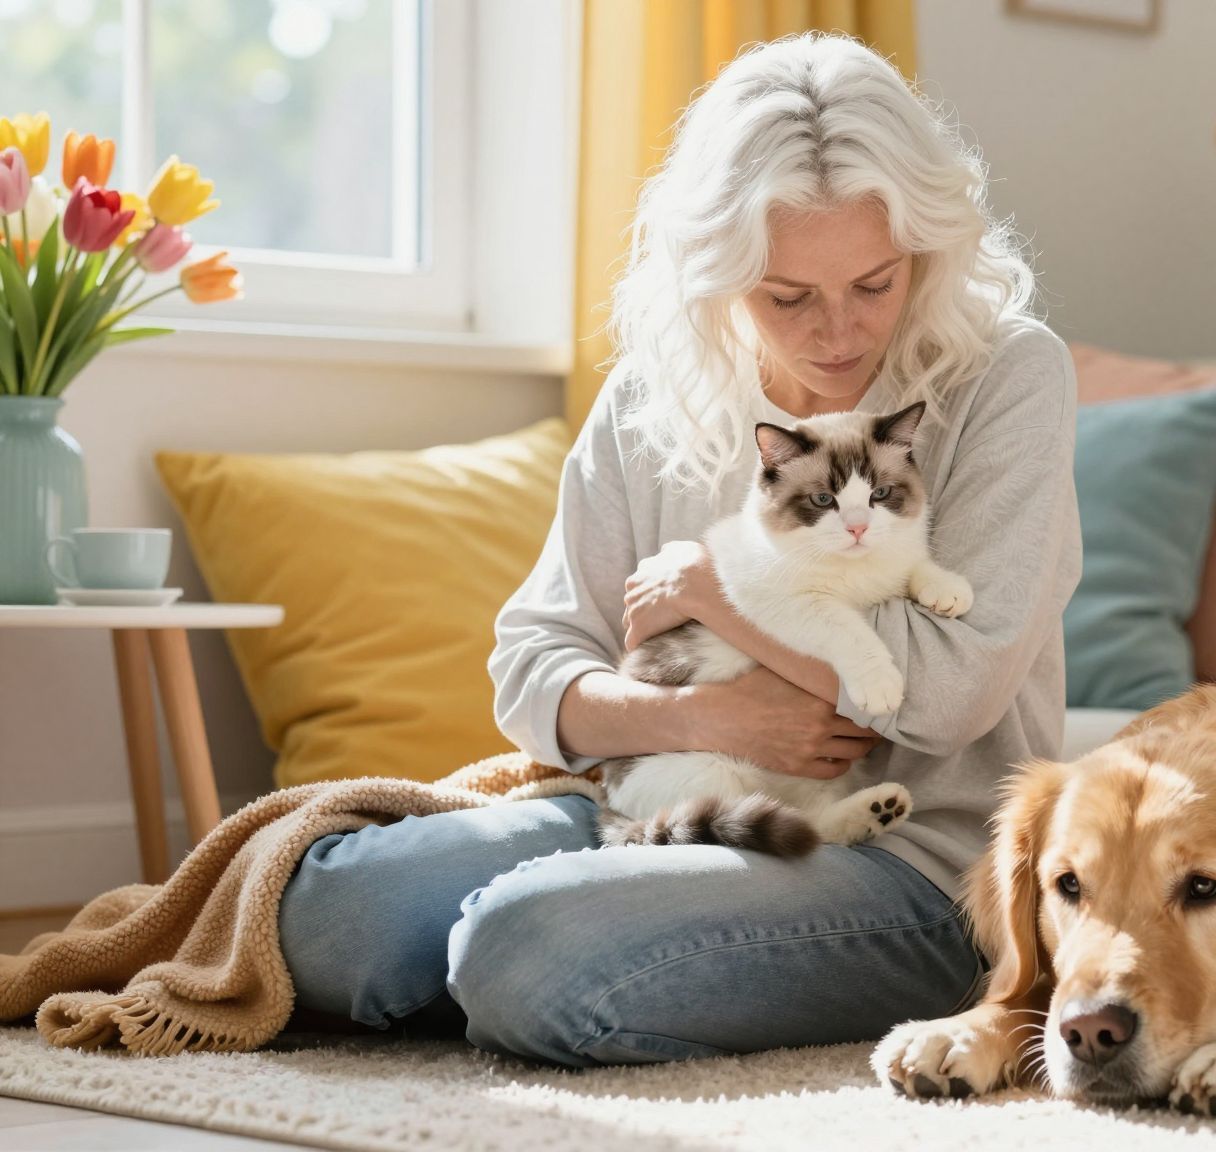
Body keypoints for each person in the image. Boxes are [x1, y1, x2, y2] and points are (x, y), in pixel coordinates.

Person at [274, 33, 1082, 1067]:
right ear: (716, 272)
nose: (838, 332)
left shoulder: (1006, 376)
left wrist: (719, 595)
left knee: (526, 945)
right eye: (787, 296)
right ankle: (562, 954)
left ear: (925, 249)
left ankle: (527, 960)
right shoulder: (656, 396)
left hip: (912, 863)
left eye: (874, 284)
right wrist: (703, 715)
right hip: (662, 806)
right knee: (330, 908)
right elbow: (531, 667)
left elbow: (945, 694)